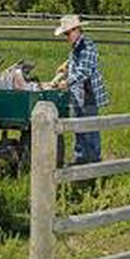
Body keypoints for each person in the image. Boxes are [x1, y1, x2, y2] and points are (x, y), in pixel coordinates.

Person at [52, 15, 109, 165]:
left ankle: (94, 160)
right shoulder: (77, 46)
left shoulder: (88, 46)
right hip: (78, 93)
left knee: (90, 127)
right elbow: (75, 61)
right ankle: (81, 158)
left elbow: (84, 71)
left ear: (77, 30)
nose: (67, 37)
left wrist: (67, 82)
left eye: (68, 33)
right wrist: (66, 66)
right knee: (78, 126)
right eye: (65, 34)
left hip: (88, 93)